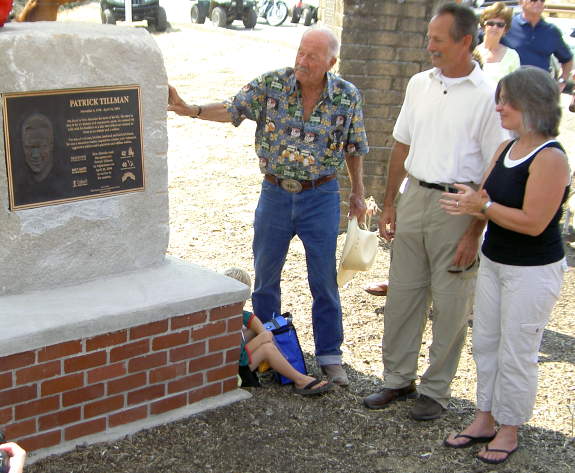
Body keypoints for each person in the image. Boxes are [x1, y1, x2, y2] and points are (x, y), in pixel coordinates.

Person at [168, 28, 369, 387]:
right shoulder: (272, 84)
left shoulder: (347, 97)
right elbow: (232, 109)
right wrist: (191, 110)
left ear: (330, 63)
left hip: (320, 196)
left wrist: (357, 194)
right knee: (265, 277)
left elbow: (355, 148)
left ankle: (329, 356)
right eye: (300, 53)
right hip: (275, 194)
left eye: (312, 56)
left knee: (323, 280)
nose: (302, 62)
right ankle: (269, 353)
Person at [363, 3, 508, 420]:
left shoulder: (487, 97)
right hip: (414, 197)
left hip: (457, 207)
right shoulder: (418, 84)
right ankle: (397, 379)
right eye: (428, 38)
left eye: (438, 40)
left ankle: (437, 391)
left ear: (466, 41)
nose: (429, 46)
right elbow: (401, 144)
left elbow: (492, 169)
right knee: (403, 295)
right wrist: (391, 201)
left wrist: (472, 233)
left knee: (450, 304)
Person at [441, 66, 569, 465]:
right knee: (487, 344)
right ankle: (485, 418)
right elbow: (485, 196)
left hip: (532, 271)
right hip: (495, 262)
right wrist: (472, 205)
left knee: (518, 350)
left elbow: (533, 223)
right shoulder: (505, 148)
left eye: (506, 100)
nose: (499, 107)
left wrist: (484, 207)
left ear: (531, 104)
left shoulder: (551, 157)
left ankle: (510, 428)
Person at [224, 268, 333, 396]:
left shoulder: (237, 313)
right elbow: (239, 358)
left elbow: (254, 323)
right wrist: (261, 338)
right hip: (231, 374)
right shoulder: (227, 321)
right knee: (266, 348)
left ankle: (289, 371)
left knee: (263, 339)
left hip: (234, 366)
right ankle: (300, 379)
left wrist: (261, 331)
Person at [501, 0, 573, 90]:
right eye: (533, 0)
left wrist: (562, 82)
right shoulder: (506, 27)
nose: (538, 2)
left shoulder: (551, 31)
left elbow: (567, 60)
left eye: (542, 0)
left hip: (541, 92)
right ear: (520, 2)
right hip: (511, 89)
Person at [475, 2, 520, 84]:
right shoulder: (472, 53)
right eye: (490, 23)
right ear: (483, 26)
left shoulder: (512, 56)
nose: (495, 27)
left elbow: (515, 87)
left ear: (505, 29)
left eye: (500, 25)